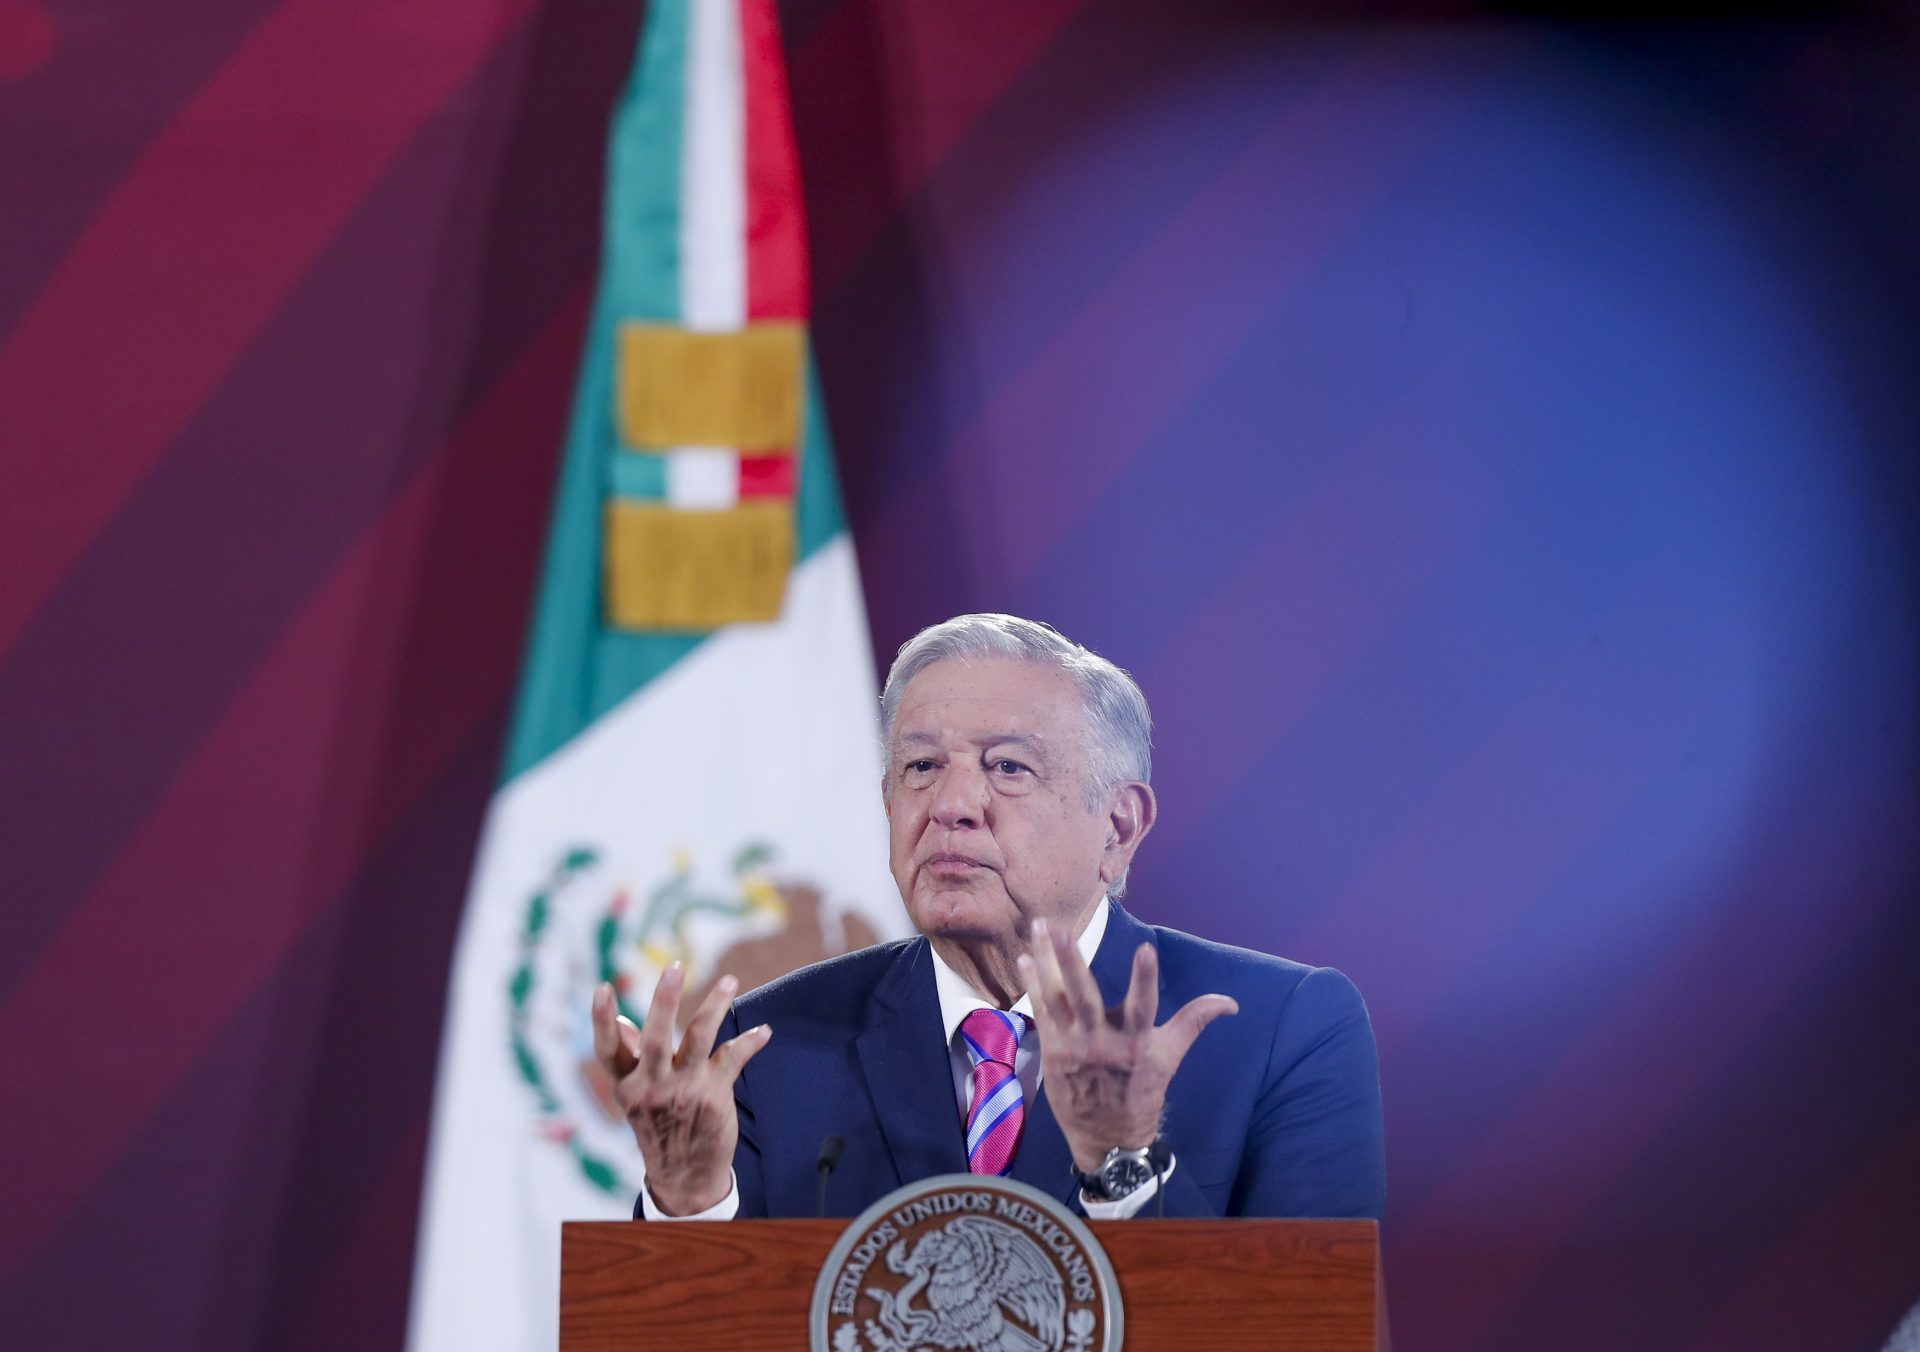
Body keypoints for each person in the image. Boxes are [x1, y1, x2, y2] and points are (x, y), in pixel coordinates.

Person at [590, 613, 1385, 1220]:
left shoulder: (1283, 1031)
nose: (951, 806)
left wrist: (1120, 1166)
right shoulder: (768, 1047)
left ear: (1118, 827)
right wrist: (690, 1201)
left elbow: (1301, 1323)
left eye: (1008, 768)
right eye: (921, 767)